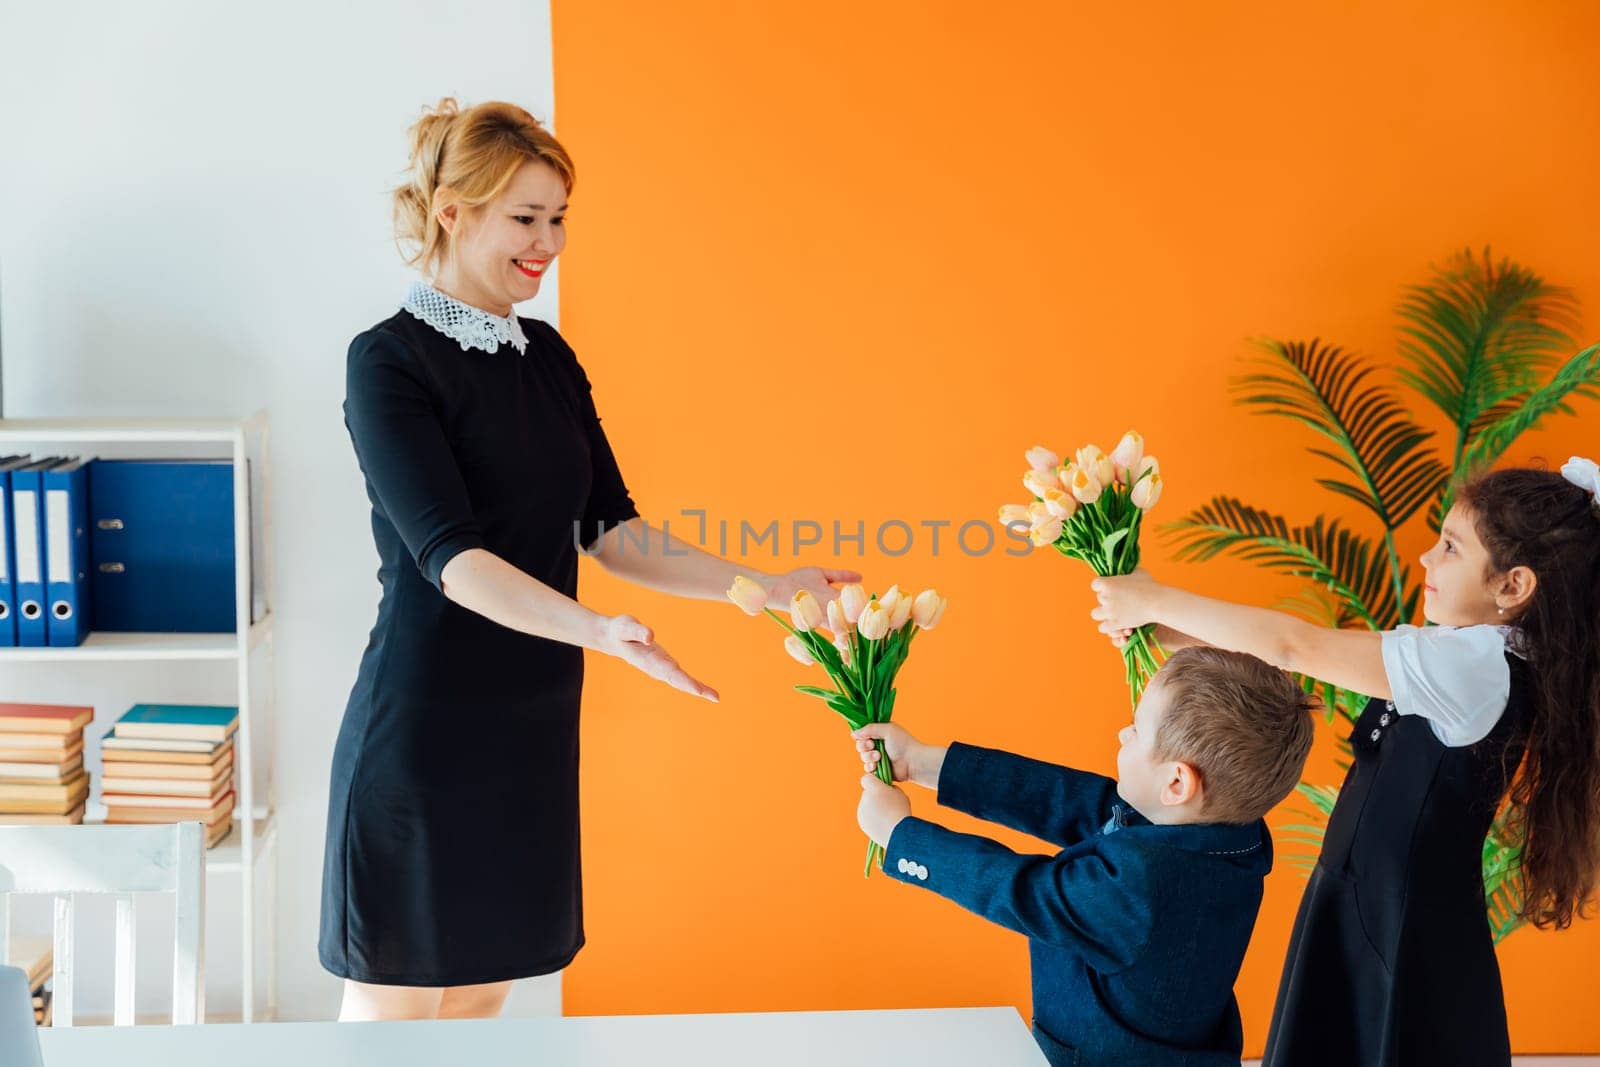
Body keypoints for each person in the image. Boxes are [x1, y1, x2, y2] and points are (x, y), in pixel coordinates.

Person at [321, 97, 859, 1021]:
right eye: (526, 218)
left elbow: (610, 529)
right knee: (398, 1027)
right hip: (423, 735)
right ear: (453, 213)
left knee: (484, 1009)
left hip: (527, 728)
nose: (550, 241)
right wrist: (601, 632)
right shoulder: (390, 363)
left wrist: (759, 586)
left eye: (559, 217)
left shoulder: (550, 358)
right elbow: (454, 561)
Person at [1090, 460, 1600, 1065]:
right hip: (1375, 900)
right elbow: (1307, 664)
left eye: (1450, 549)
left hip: (1395, 917)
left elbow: (1294, 644)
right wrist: (1168, 629)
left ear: (1512, 586)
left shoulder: (1474, 666)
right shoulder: (1471, 656)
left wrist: (1156, 598)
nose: (1425, 560)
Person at [853, 646, 1315, 1065]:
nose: (1122, 733)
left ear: (1176, 782)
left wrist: (902, 836)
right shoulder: (1231, 833)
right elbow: (1067, 800)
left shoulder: (1141, 887)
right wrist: (924, 762)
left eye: (1136, 731)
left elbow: (1025, 891)